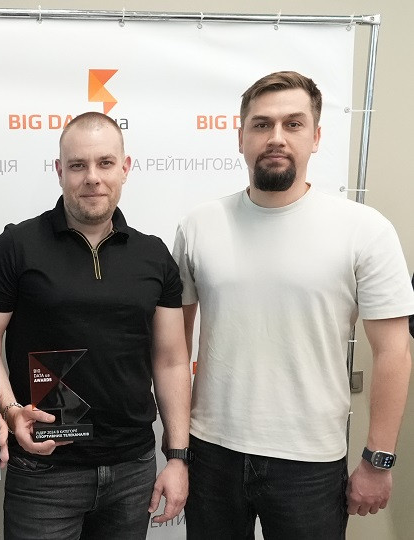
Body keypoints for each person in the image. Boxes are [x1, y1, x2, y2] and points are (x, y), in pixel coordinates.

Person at [172, 71, 414, 539]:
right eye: (261, 124)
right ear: (240, 137)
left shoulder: (365, 230)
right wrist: (178, 451)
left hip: (311, 462)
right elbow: (174, 350)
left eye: (293, 124)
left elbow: (394, 352)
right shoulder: (198, 226)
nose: (276, 137)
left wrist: (378, 460)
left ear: (316, 137)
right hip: (212, 453)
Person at [0, 111, 191, 540]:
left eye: (105, 163)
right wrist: (11, 412)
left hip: (132, 469)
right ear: (59, 171)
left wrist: (178, 457)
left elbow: (171, 360)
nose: (92, 177)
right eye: (77, 165)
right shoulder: (15, 248)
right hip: (45, 469)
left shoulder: (153, 255)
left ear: (125, 168)